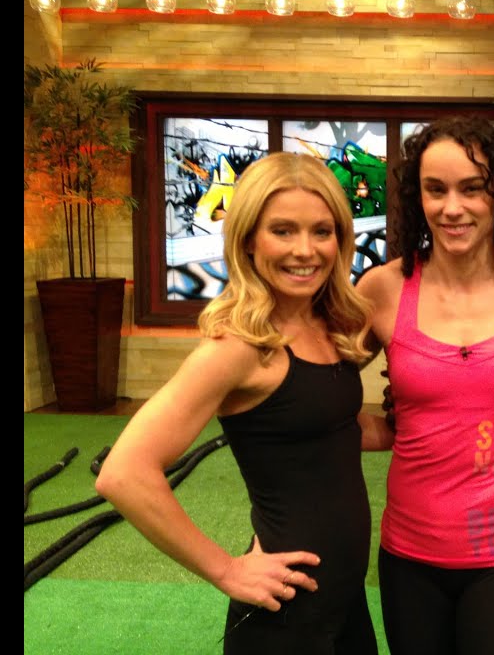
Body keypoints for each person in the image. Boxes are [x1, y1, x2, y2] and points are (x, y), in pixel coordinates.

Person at [95, 152, 393, 655]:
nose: (305, 249)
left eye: (321, 231)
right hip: (285, 617)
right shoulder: (237, 348)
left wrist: (404, 428)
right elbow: (123, 474)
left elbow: (325, 428)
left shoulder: (328, 326)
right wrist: (226, 569)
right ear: (249, 239)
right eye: (283, 230)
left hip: (344, 605)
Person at [356, 115, 494, 655]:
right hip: (410, 556)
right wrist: (384, 431)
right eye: (436, 189)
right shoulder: (384, 289)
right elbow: (308, 389)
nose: (452, 208)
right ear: (417, 197)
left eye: (472, 188)